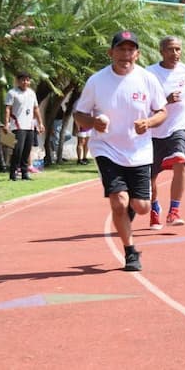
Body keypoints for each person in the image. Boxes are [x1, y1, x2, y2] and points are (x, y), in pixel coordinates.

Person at [74, 30, 167, 271]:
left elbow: (162, 112)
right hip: (107, 148)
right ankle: (130, 252)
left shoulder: (147, 79)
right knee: (118, 202)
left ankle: (125, 217)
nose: (125, 54)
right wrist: (93, 123)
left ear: (137, 54)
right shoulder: (96, 81)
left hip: (140, 150)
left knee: (141, 207)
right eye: (120, 49)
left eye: (130, 50)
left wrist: (148, 123)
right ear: (111, 52)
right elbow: (79, 114)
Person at [146, 36, 185, 229]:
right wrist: (164, 100)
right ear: (161, 51)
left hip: (178, 125)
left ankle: (174, 211)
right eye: (170, 49)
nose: (175, 53)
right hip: (154, 131)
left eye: (177, 49)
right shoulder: (149, 73)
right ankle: (154, 208)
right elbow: (145, 103)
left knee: (180, 162)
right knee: (150, 180)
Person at [3, 72, 45, 181]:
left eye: (27, 80)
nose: (25, 82)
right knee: (18, 150)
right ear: (18, 81)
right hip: (18, 125)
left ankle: (24, 173)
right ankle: (13, 173)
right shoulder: (12, 93)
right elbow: (8, 109)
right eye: (23, 80)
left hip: (29, 125)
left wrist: (40, 123)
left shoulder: (31, 93)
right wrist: (6, 123)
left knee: (27, 150)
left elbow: (36, 108)